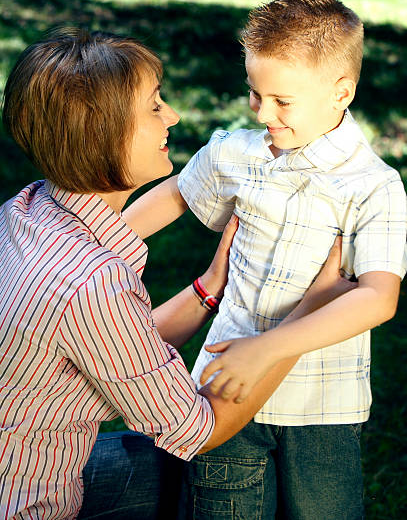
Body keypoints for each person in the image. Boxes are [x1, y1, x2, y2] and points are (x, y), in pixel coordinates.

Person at [0, 27, 353, 520]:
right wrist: (304, 317)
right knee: (209, 462)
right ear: (104, 134)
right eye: (153, 106)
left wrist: (210, 288)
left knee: (181, 465)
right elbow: (198, 429)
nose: (174, 115)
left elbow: (112, 344)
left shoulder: (24, 210)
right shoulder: (92, 281)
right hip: (27, 503)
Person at [123, 0, 407, 519]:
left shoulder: (374, 186)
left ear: (341, 92)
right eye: (255, 93)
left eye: (282, 101)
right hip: (224, 386)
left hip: (322, 406)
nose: (263, 111)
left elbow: (377, 298)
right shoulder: (237, 152)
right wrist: (99, 243)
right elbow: (176, 193)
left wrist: (270, 346)